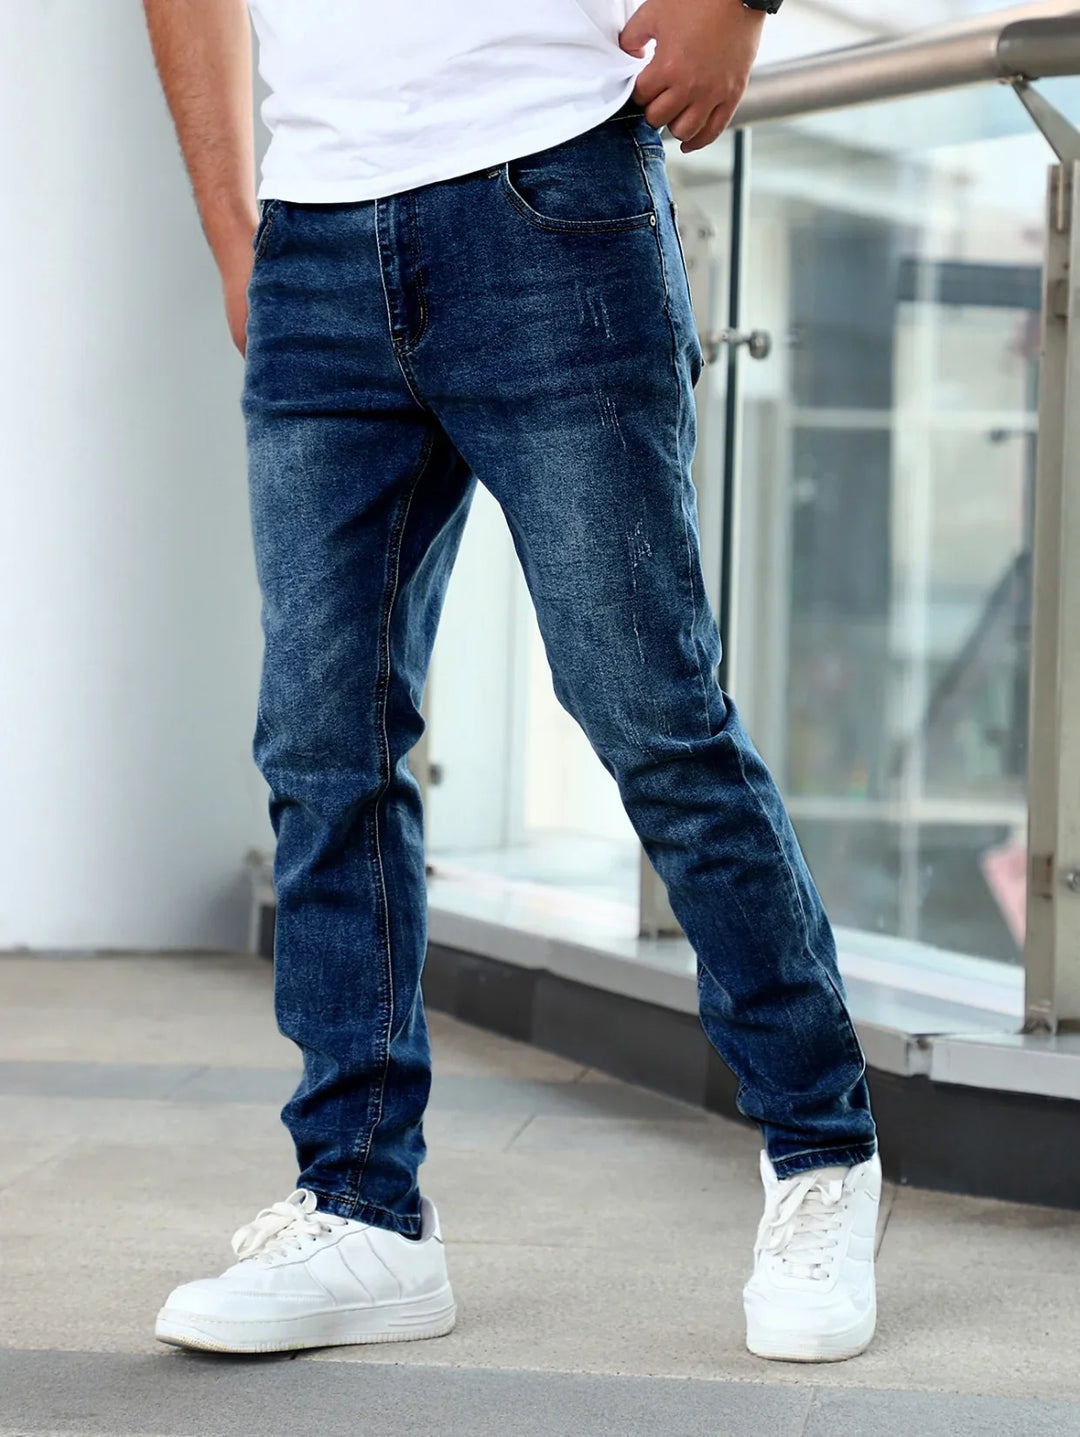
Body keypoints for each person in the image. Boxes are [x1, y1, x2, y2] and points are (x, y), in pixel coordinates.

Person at [143, 0, 881, 1365]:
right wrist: (233, 222)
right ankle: (362, 1203)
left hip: (551, 184)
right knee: (321, 740)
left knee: (649, 711)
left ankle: (822, 1146)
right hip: (314, 226)